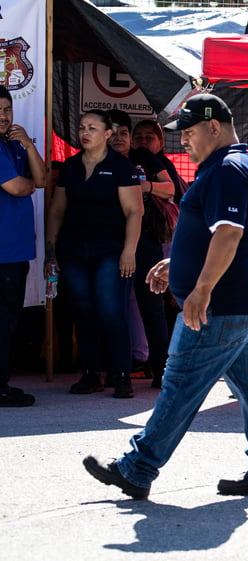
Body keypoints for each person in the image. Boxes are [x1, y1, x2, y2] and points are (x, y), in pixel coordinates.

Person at [83, 94, 248, 500]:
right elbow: (212, 234)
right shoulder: (230, 165)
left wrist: (201, 289)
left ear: (214, 127)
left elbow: (229, 234)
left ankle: (137, 468)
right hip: (241, 304)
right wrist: (177, 263)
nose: (185, 143)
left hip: (221, 306)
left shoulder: (228, 169)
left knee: (179, 383)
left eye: (191, 133)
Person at [45, 109, 143, 398]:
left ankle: (122, 375)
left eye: (92, 127)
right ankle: (90, 374)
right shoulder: (72, 166)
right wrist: (51, 251)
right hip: (74, 250)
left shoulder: (121, 166)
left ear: (107, 134)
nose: (84, 132)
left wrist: (129, 251)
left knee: (112, 311)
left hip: (110, 250)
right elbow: (57, 210)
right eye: (82, 127)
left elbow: (135, 210)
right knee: (83, 311)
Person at [107, 109, 174, 388]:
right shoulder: (94, 161)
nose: (120, 137)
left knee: (152, 307)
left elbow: (170, 189)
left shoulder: (144, 158)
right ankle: (117, 371)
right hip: (110, 242)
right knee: (112, 307)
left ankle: (162, 370)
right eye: (115, 132)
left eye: (125, 132)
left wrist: (143, 186)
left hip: (146, 241)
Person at [0, 85, 47, 406]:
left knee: (9, 319)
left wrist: (29, 145)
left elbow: (42, 179)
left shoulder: (13, 145)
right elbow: (18, 187)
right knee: (2, 320)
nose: (3, 117)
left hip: (15, 250)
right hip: (2, 253)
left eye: (7, 110)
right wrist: (28, 186)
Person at [132, 118, 189, 204]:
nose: (143, 141)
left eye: (149, 137)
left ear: (161, 143)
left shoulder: (165, 164)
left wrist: (147, 186)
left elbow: (172, 194)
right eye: (138, 137)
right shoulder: (130, 160)